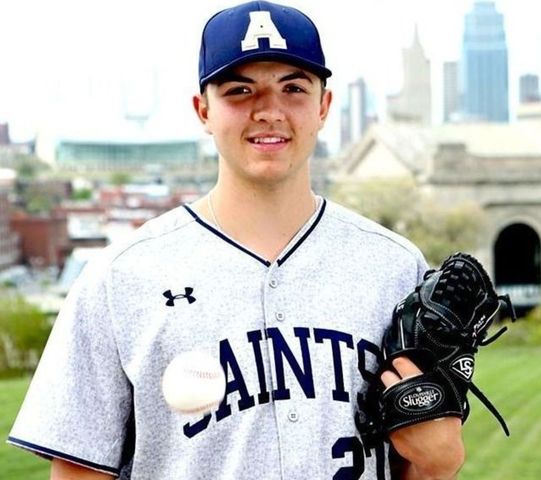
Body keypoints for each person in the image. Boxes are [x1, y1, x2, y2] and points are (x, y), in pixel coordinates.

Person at [8, 1, 464, 478]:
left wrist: (442, 463)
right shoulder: (119, 277)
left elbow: (417, 459)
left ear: (324, 106)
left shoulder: (394, 266)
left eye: (293, 88)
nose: (269, 110)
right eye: (240, 90)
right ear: (203, 110)